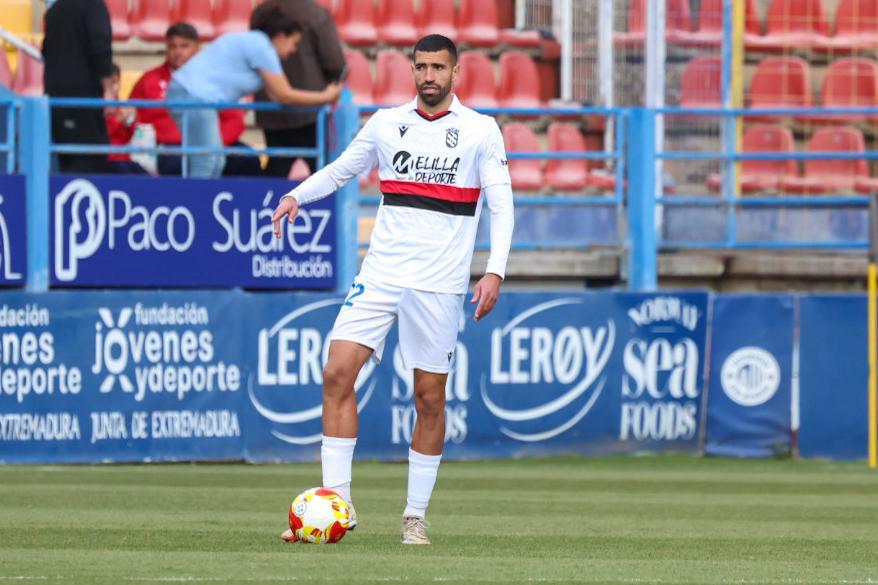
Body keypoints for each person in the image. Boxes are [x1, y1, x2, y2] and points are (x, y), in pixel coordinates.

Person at [272, 35, 514, 545]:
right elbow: (342, 170)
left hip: (439, 286)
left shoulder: (479, 131)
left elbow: (501, 203)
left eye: (438, 67)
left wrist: (495, 270)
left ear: (457, 72)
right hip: (380, 276)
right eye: (422, 66)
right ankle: (337, 505)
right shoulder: (387, 124)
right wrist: (297, 195)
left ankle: (414, 515)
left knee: (429, 397)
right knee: (337, 372)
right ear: (412, 69)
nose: (429, 75)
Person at [167, 6, 342, 178]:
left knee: (214, 160)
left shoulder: (256, 43)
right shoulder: (262, 48)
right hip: (193, 96)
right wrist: (326, 96)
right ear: (281, 37)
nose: (293, 50)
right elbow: (284, 94)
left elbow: (276, 95)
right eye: (294, 43)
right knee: (207, 161)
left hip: (190, 94)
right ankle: (196, 204)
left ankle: (196, 202)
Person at [129, 22, 258, 177]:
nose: (178, 52)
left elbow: (234, 120)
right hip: (169, 148)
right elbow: (135, 117)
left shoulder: (214, 79)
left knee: (248, 159)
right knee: (176, 163)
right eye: (172, 46)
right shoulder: (149, 80)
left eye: (184, 46)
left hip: (215, 144)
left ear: (197, 48)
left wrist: (211, 145)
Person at [252, 0, 345, 177]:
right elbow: (334, 61)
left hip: (270, 108)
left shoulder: (260, 12)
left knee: (276, 170)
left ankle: (269, 205)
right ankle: (323, 205)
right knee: (322, 172)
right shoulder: (316, 13)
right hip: (311, 108)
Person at [42, 0, 114, 174]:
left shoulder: (54, 10)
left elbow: (45, 50)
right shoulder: (94, 6)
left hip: (55, 95)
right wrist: (109, 90)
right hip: (84, 97)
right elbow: (100, 47)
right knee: (91, 157)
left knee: (64, 156)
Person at [104, 64, 148, 175]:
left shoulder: (121, 105)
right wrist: (117, 121)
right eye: (111, 83)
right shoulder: (95, 105)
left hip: (124, 159)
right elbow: (101, 134)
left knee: (150, 179)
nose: (114, 87)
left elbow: (127, 139)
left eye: (116, 82)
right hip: (107, 160)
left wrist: (130, 122)